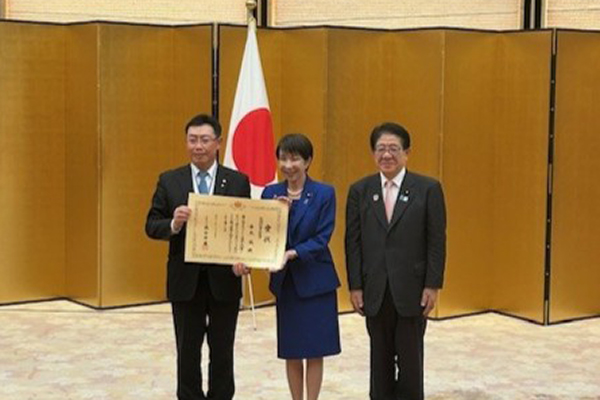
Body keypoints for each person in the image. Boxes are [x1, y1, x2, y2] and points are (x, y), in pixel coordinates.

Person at [145, 114, 251, 400]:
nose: (198, 146)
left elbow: (245, 230)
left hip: (224, 281)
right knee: (187, 352)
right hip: (185, 282)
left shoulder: (238, 181)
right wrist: (174, 223)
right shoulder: (170, 180)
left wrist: (245, 259)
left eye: (205, 140)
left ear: (218, 142)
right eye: (192, 140)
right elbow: (151, 225)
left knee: (223, 352)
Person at [345, 122, 446, 400]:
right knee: (380, 362)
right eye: (380, 149)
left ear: (406, 153)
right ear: (373, 153)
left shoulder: (427, 189)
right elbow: (352, 242)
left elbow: (436, 241)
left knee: (411, 363)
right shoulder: (360, 191)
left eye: (393, 148)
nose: (386, 155)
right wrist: (356, 286)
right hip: (374, 289)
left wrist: (432, 285)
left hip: (412, 290)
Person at [261, 133, 341, 400]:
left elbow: (322, 237)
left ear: (307, 161)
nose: (288, 165)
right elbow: (264, 236)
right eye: (283, 158)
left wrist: (292, 253)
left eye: (294, 159)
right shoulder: (270, 193)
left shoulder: (324, 193)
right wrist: (279, 215)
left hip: (316, 281)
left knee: (315, 350)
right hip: (287, 285)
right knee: (292, 350)